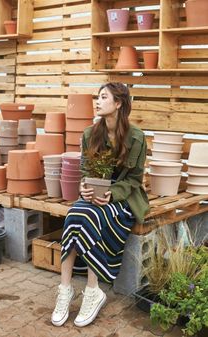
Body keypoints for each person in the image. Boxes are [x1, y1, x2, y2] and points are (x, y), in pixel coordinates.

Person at [51, 82, 150, 327]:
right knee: (75, 214)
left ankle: (93, 290)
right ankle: (65, 289)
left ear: (118, 104)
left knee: (93, 217)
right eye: (97, 96)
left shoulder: (136, 137)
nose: (97, 101)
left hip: (123, 198)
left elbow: (135, 179)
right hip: (94, 195)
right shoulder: (89, 134)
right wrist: (85, 186)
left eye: (103, 97)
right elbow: (86, 171)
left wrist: (112, 194)